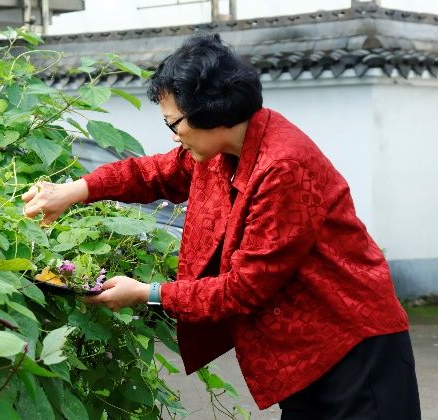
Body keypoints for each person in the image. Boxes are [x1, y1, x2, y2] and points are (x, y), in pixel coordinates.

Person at [22, 33, 421, 419]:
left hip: (354, 349)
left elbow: (245, 288)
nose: (174, 137)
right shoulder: (223, 148)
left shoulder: (283, 167)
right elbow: (154, 173)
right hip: (305, 353)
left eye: (173, 124)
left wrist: (147, 293)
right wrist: (73, 190)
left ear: (211, 112)